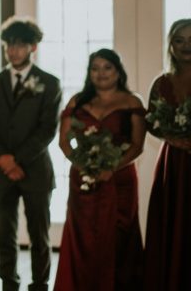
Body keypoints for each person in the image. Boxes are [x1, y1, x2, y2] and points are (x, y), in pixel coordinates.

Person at [0, 16, 61, 291]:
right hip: (1, 173)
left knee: (39, 234)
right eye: (8, 45)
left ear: (32, 47)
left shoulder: (49, 83)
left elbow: (47, 129)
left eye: (19, 46)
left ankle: (40, 283)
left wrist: (17, 160)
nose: (13, 51)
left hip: (35, 170)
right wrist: (4, 159)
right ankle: (9, 284)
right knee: (5, 234)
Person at [54, 49, 145, 290]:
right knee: (83, 235)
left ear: (118, 71)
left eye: (107, 67)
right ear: (89, 73)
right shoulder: (77, 101)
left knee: (118, 237)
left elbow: (137, 146)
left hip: (119, 180)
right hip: (83, 178)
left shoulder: (132, 102)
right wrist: (85, 164)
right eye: (95, 68)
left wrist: (111, 169)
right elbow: (64, 141)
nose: (101, 73)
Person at [144, 18, 191, 291]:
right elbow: (150, 121)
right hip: (174, 163)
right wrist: (173, 138)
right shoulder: (162, 82)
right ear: (170, 45)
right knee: (174, 220)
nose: (186, 46)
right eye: (179, 40)